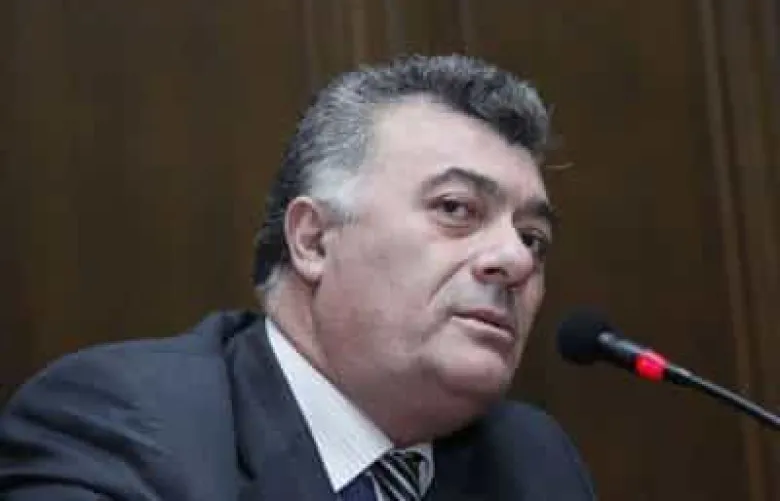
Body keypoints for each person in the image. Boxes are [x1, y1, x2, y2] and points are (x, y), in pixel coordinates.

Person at [0, 55, 596, 500]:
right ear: (313, 240)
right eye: (456, 208)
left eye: (533, 238)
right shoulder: (124, 429)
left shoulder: (531, 463)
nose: (516, 260)